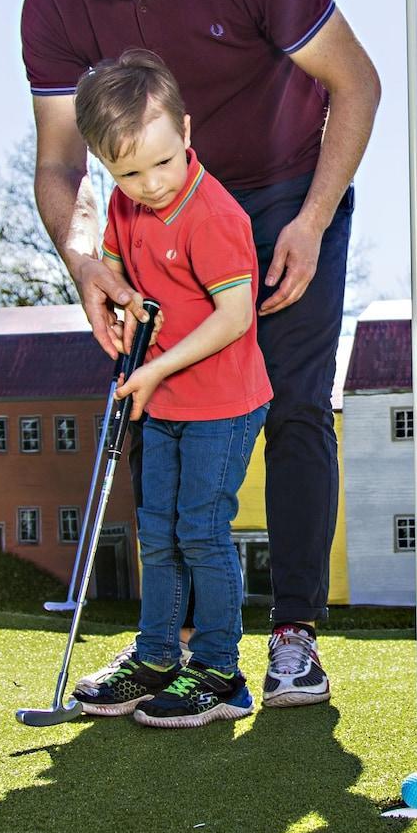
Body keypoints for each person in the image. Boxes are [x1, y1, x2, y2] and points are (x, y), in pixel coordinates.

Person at [22, 0, 380, 709]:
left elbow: (357, 82)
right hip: (154, 215)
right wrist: (82, 259)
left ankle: (293, 635)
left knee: (295, 405)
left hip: (290, 194)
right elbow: (60, 162)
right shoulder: (53, 5)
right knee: (160, 405)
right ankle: (167, 645)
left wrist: (312, 219)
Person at [65, 50, 272, 728]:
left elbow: (236, 316)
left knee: (200, 532)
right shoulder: (124, 205)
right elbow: (122, 267)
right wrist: (121, 304)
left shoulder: (212, 215)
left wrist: (152, 368)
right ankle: (156, 657)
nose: (150, 183)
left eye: (162, 161)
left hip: (224, 402)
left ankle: (220, 672)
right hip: (164, 400)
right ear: (106, 166)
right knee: (156, 532)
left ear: (185, 131)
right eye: (128, 171)